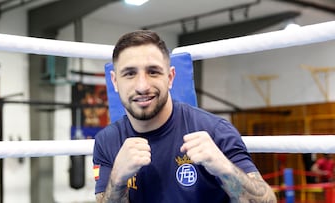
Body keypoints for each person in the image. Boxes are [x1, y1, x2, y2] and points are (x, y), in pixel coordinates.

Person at [92, 30, 276, 202]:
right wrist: (117, 178)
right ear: (115, 82)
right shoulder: (107, 141)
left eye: (153, 72)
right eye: (130, 73)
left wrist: (224, 168)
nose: (142, 86)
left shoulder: (215, 130)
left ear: (170, 77)